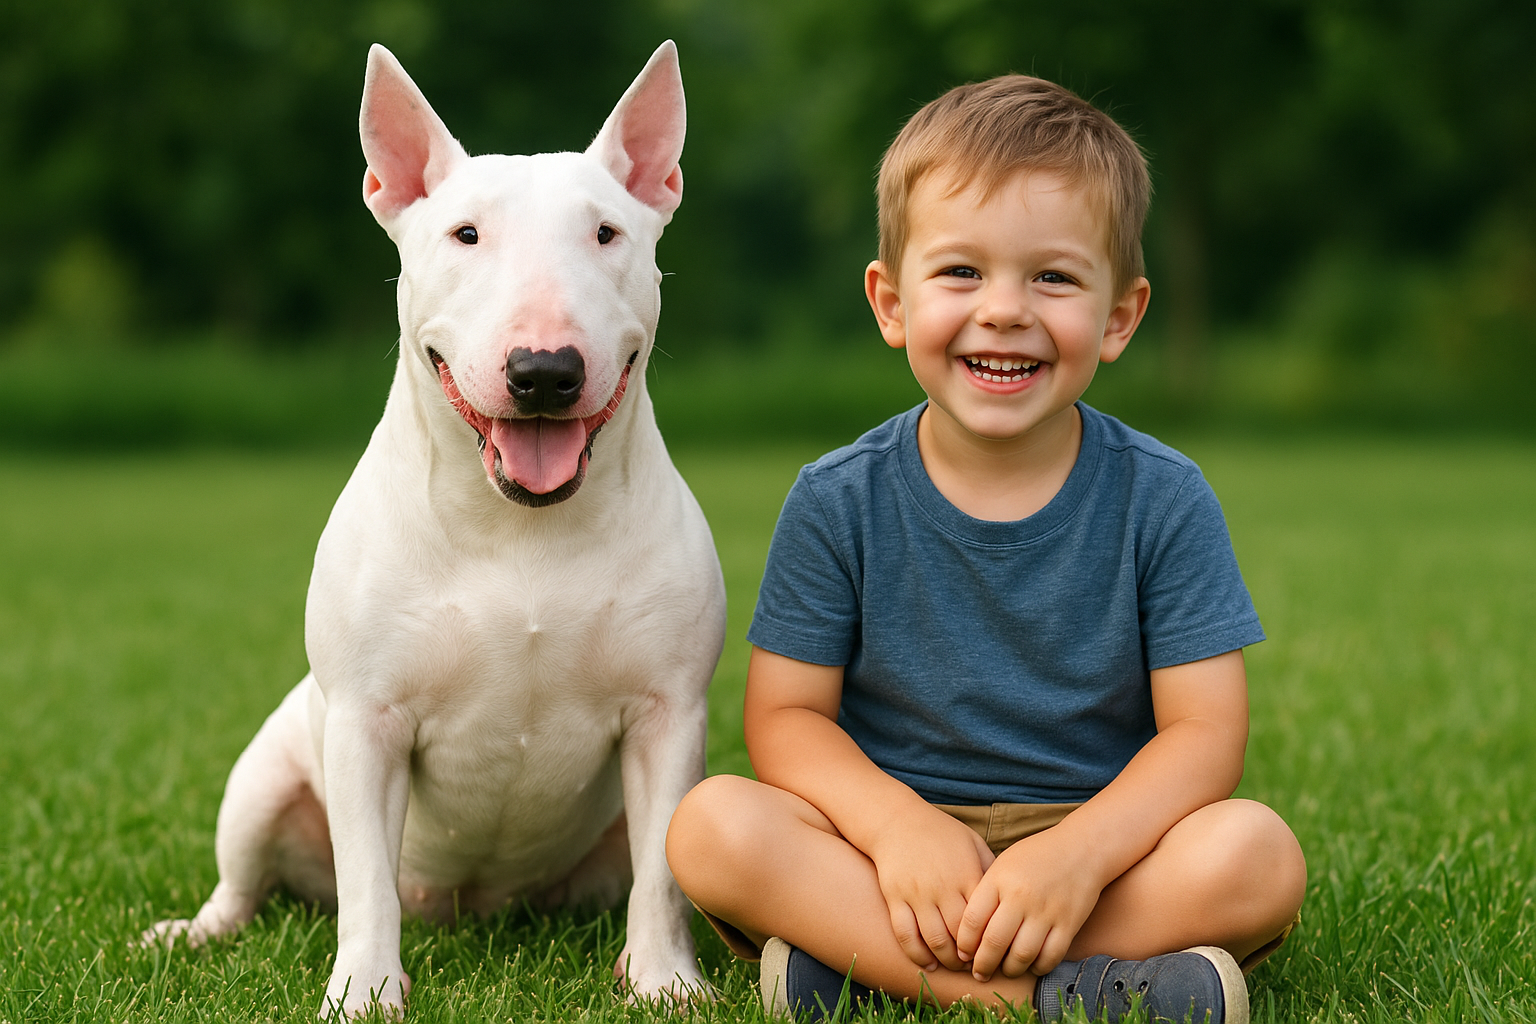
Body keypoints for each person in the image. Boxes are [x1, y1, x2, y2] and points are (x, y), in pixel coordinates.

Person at [665, 74, 1306, 1024]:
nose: (1004, 309)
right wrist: (896, 829)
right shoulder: (836, 498)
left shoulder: (1164, 498)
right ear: (891, 302)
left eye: (1053, 278)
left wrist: (1077, 856)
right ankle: (1073, 995)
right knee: (712, 824)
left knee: (1256, 854)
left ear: (1120, 316)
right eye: (962, 272)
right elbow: (788, 718)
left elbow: (1204, 734)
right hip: (888, 850)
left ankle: (865, 971)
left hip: (1101, 848)